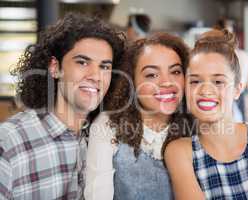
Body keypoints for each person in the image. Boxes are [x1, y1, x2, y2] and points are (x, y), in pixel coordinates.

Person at [0, 13, 125, 200]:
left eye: (104, 67)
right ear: (55, 67)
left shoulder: (108, 137)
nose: (96, 76)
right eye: (82, 62)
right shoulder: (10, 142)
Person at [164, 29, 248, 199]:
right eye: (195, 81)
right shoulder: (180, 153)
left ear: (237, 90)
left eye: (218, 81)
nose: (206, 90)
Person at [85, 33, 189, 200]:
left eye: (176, 71)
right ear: (132, 81)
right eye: (152, 75)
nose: (167, 82)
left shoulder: (196, 125)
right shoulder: (108, 125)